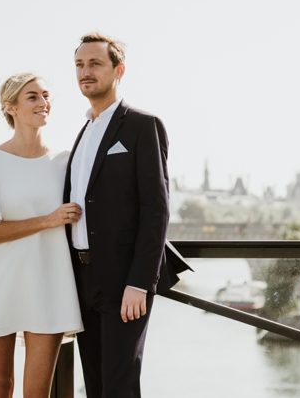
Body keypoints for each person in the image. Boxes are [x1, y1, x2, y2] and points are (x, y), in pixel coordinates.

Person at [64, 33, 191, 398]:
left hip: (123, 281)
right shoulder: (83, 132)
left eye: (95, 64)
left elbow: (156, 208)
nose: (85, 72)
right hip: (81, 275)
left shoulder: (141, 125)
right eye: (79, 65)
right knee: (96, 384)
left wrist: (140, 282)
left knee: (120, 386)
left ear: (119, 70)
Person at [0, 73, 84, 398]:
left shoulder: (64, 161)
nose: (43, 103)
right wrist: (48, 220)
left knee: (37, 393)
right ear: (10, 107)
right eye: (32, 97)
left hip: (49, 283)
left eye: (46, 96)